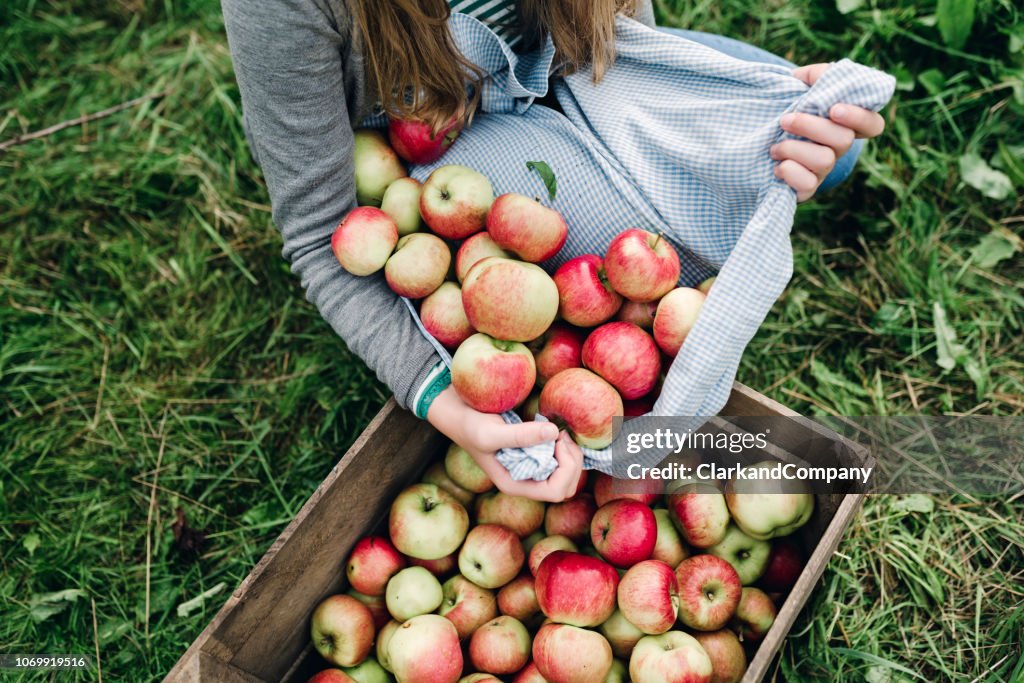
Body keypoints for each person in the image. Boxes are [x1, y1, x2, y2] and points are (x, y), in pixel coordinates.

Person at [221, 0, 885, 502]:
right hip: (440, 142)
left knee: (826, 145)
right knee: (634, 289)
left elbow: (615, 30)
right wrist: (451, 409)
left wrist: (730, 106)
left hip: (562, 64)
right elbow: (318, 236)